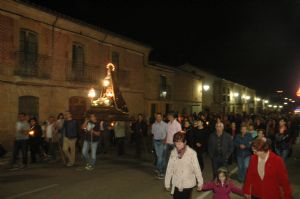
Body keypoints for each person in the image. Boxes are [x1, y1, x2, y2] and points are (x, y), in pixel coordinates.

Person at [165, 132, 203, 199]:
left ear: (185, 142)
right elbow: (169, 169)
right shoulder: (173, 153)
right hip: (176, 182)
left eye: (180, 143)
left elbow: (197, 168)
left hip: (187, 183)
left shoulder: (192, 153)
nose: (178, 145)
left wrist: (200, 182)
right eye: (176, 143)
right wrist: (167, 183)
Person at [151, 113, 168, 179]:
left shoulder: (165, 124)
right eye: (157, 117)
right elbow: (153, 134)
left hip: (162, 142)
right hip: (155, 141)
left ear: (162, 117)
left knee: (160, 157)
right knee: (160, 157)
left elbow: (167, 133)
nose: (158, 118)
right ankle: (160, 170)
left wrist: (165, 139)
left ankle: (160, 171)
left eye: (159, 117)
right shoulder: (154, 125)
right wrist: (153, 143)